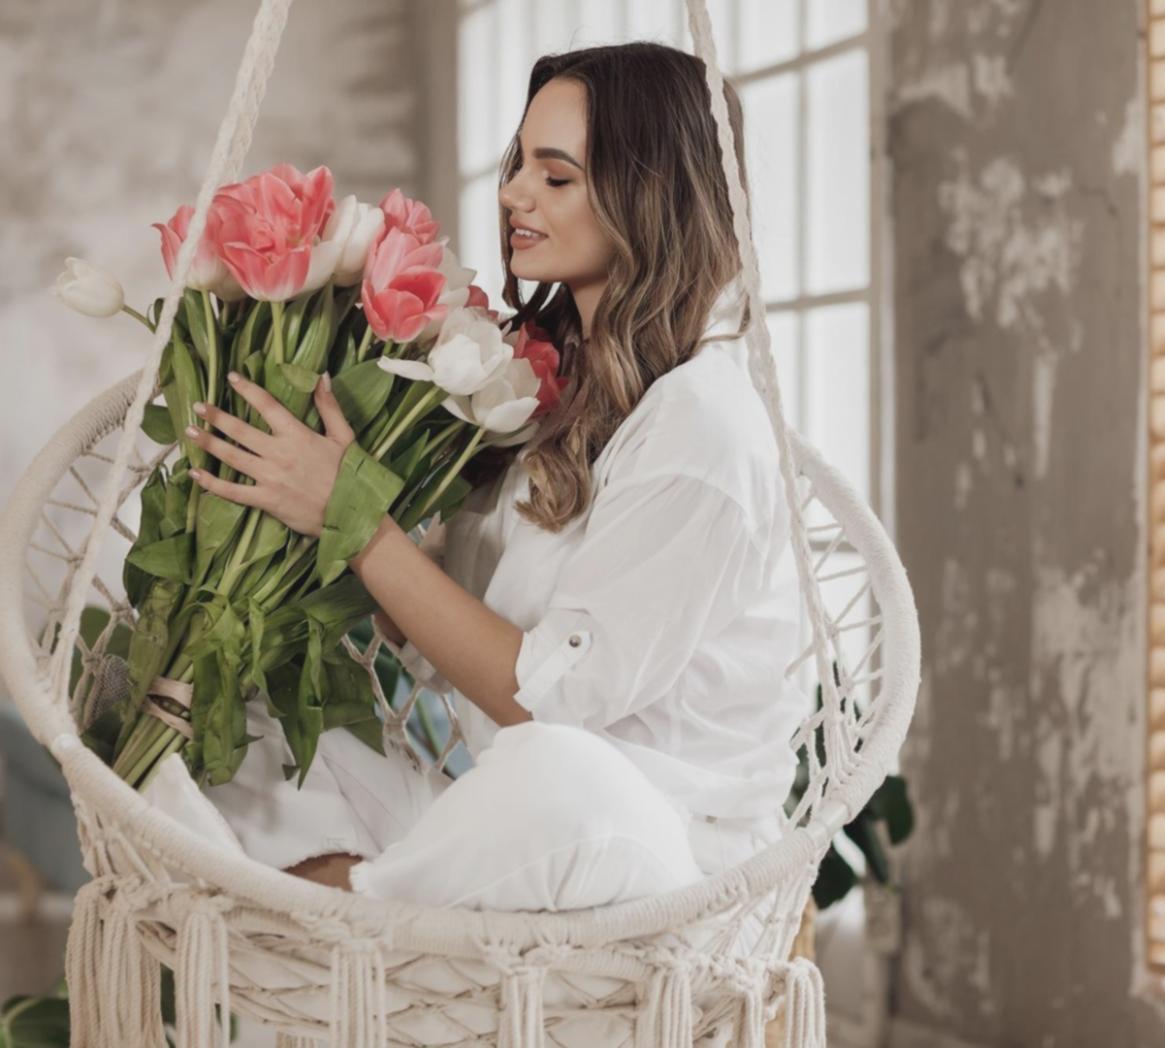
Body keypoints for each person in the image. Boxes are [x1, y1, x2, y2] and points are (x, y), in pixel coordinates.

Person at [162, 41, 809, 915]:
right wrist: (294, 513)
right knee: (222, 706)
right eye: (518, 167)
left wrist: (356, 518)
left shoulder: (702, 420)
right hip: (492, 815)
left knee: (562, 772)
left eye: (556, 177)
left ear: (648, 197)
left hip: (653, 854)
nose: (512, 195)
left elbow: (553, 707)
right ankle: (367, 912)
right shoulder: (557, 393)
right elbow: (447, 629)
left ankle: (334, 917)